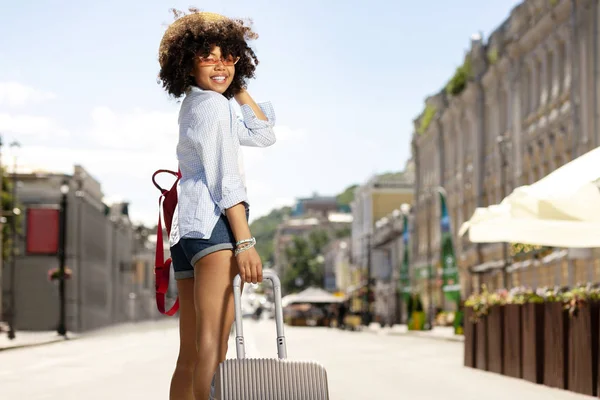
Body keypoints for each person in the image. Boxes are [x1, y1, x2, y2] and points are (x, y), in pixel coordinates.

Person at [157, 9, 276, 400]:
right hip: (214, 227)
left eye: (229, 56)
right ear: (187, 61)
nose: (220, 64)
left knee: (190, 352)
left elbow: (262, 134)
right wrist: (244, 242)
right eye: (208, 56)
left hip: (187, 231)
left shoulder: (198, 103)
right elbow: (226, 178)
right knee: (213, 347)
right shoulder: (211, 107)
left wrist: (237, 84)